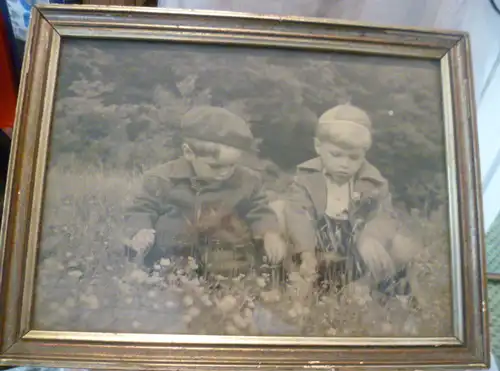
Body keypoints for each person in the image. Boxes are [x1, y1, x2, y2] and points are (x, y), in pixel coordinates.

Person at [124, 106, 286, 274]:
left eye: (232, 165)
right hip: (171, 255)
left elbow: (259, 209)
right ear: (188, 152)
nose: (225, 172)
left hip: (225, 258)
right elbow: (142, 209)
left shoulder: (246, 180)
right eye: (215, 166)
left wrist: (269, 233)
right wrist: (141, 230)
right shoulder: (161, 179)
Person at [283, 104, 418, 298]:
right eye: (336, 155)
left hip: (354, 251)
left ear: (364, 154)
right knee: (280, 211)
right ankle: (297, 281)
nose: (344, 164)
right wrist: (306, 251)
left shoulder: (374, 183)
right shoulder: (305, 177)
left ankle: (365, 286)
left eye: (354, 158)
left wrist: (371, 238)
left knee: (402, 245)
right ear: (318, 147)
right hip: (316, 249)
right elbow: (298, 214)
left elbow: (384, 216)